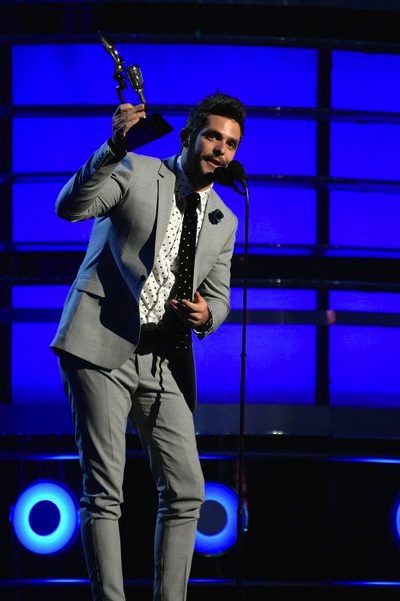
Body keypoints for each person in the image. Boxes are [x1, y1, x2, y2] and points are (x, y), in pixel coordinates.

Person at [50, 91, 246, 601]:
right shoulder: (135, 171)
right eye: (212, 137)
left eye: (230, 144)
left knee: (187, 490)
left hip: (162, 360)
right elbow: (69, 207)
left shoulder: (224, 219)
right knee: (104, 492)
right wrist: (113, 146)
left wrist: (207, 316)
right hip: (99, 342)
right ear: (189, 137)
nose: (220, 150)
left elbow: (221, 298)